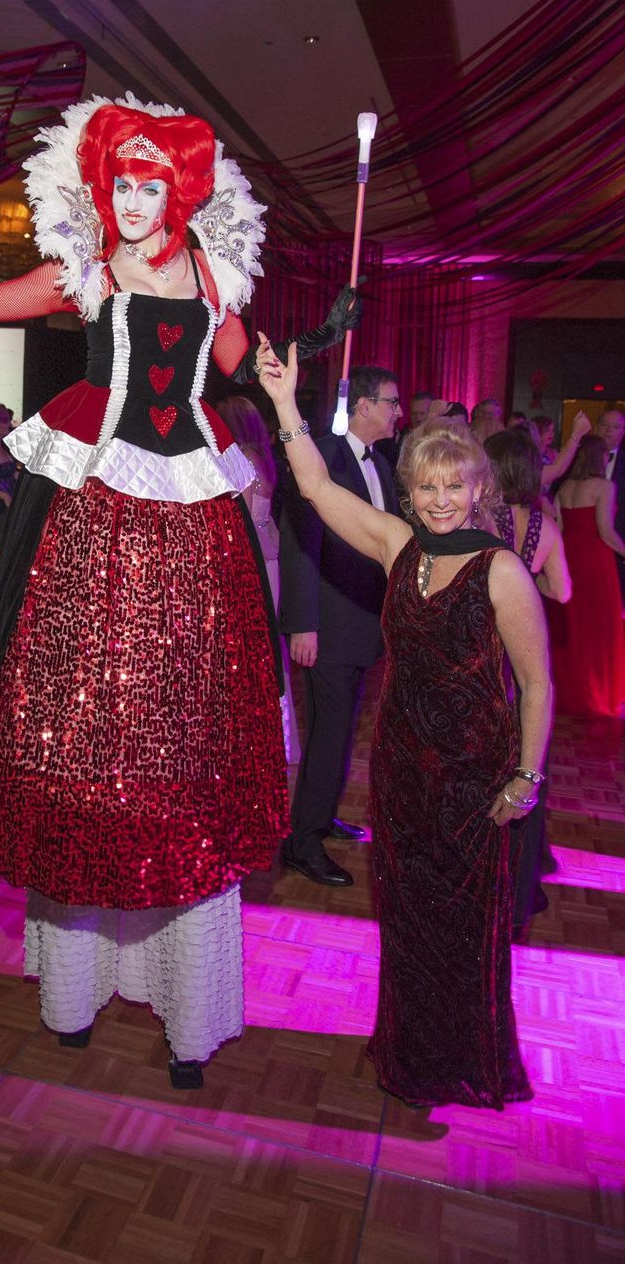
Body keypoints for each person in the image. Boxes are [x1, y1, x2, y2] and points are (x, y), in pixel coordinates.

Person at [0, 94, 360, 1087]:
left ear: (180, 192)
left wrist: (322, 339)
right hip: (91, 497)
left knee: (182, 722)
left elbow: (258, 372)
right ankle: (74, 990)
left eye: (148, 183)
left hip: (188, 503)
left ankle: (184, 1003)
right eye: (116, 182)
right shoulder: (82, 273)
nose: (128, 199)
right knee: (77, 718)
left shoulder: (211, 279)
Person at [257, 337, 552, 1109]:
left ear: (478, 487)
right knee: (408, 922)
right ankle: (410, 1048)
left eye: (455, 485)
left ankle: (466, 1053)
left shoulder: (503, 568)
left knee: (466, 927)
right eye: (427, 486)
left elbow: (536, 682)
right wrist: (287, 404)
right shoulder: (399, 545)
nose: (441, 499)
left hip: (475, 776)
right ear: (409, 491)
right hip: (400, 767)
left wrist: (526, 775)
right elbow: (317, 487)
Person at [277, 366, 401, 887]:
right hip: (326, 623)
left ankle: (322, 819)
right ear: (365, 405)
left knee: (343, 729)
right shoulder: (323, 455)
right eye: (392, 402)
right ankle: (302, 844)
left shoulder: (382, 463)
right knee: (328, 734)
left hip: (360, 623)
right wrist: (303, 623)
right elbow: (300, 540)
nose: (399, 412)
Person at [485, 429, 571, 932]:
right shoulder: (546, 526)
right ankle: (519, 890)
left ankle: (483, 882)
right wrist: (530, 579)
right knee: (528, 764)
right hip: (524, 661)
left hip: (483, 653)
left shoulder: (478, 518)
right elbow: (562, 591)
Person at [216, 393, 300, 771]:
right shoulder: (262, 458)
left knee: (251, 647)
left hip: (252, 561)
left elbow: (244, 521)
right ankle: (274, 735)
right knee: (267, 647)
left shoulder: (241, 459)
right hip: (271, 558)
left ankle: (256, 737)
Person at [546, 435, 625, 718]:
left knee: (574, 626)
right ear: (600, 457)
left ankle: (570, 693)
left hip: (568, 558)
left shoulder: (565, 487)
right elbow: (605, 530)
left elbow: (560, 527)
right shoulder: (605, 486)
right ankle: (596, 695)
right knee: (599, 628)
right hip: (595, 561)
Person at [595, 407, 625, 600]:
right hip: (583, 546)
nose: (608, 430)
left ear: (622, 432)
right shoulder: (576, 458)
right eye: (604, 425)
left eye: (614, 427)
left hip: (617, 544)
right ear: (597, 427)